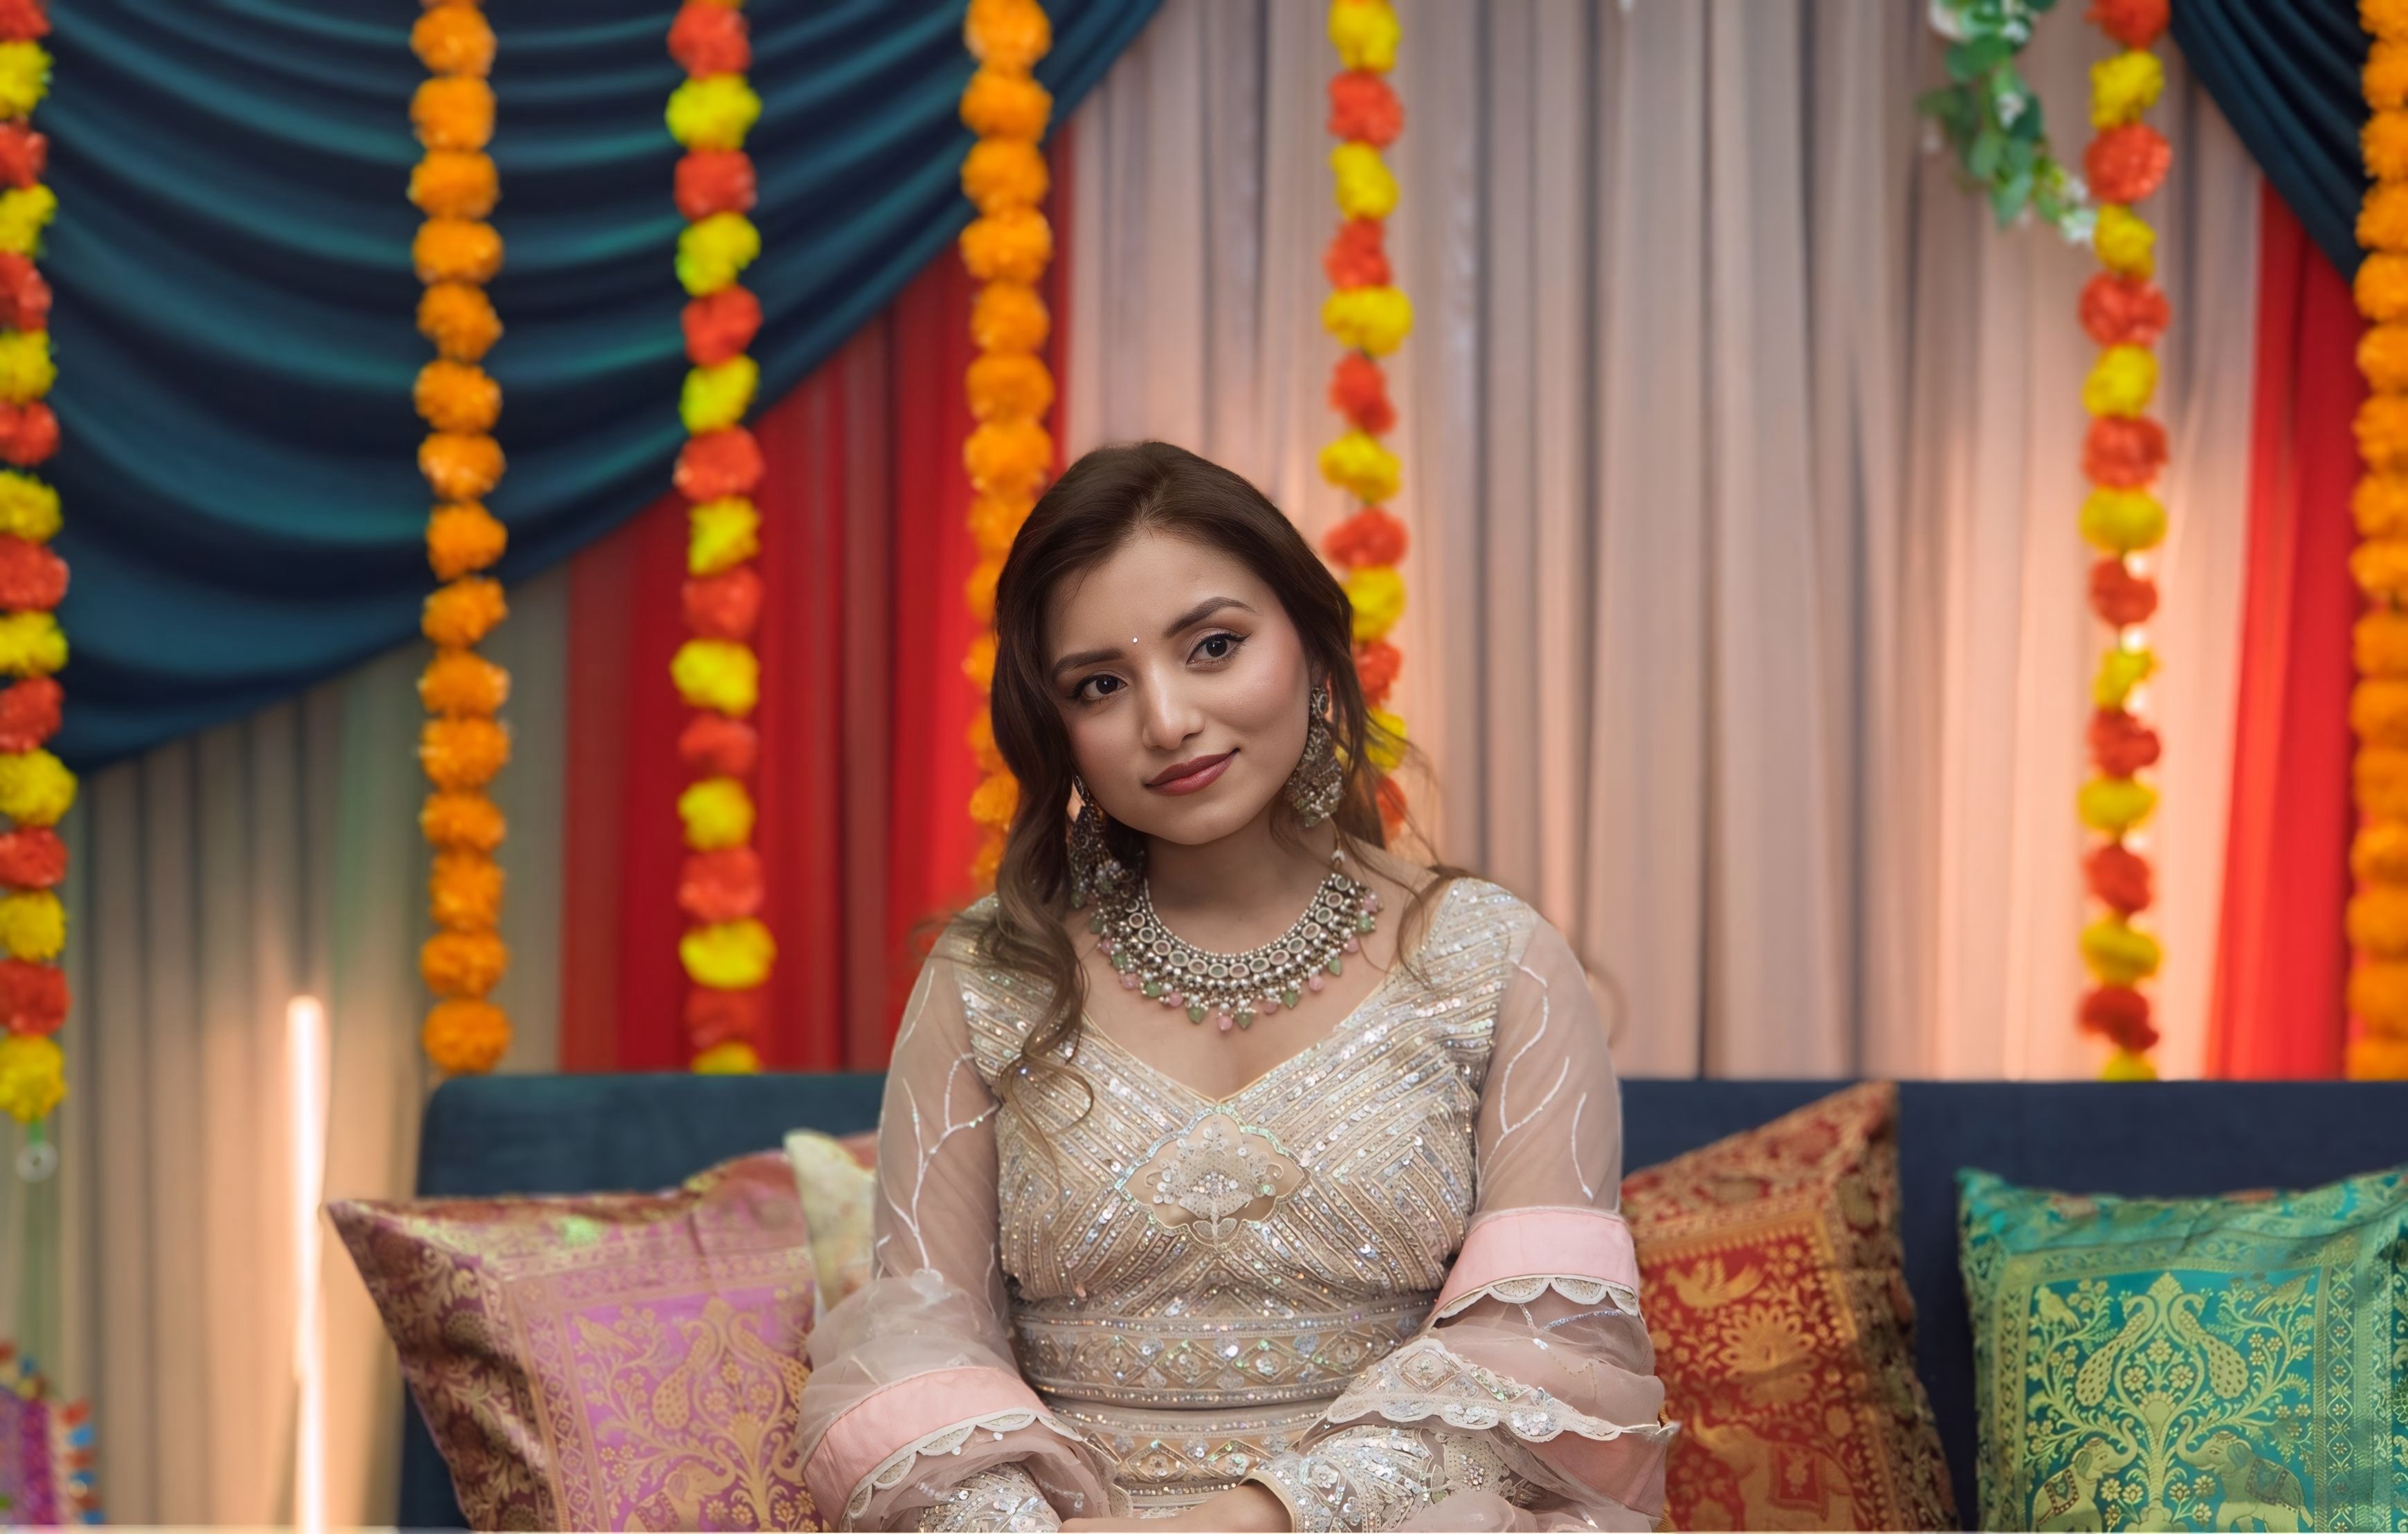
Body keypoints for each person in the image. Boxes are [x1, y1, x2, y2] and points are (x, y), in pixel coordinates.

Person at [797, 442, 1671, 1531]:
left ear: (1310, 645)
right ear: (1059, 729)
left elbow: (1540, 1358)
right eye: (1100, 685)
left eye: (1213, 646)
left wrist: (1254, 1520)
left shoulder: (1493, 961)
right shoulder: (991, 976)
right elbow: (923, 1346)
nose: (1166, 720)